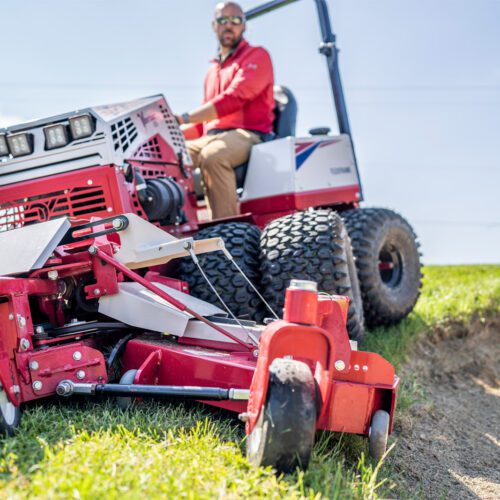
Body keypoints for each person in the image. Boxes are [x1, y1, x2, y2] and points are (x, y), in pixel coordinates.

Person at [176, 1, 275, 219]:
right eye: (223, 20)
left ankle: (227, 229)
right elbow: (204, 124)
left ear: (244, 25)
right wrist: (170, 134)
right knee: (169, 157)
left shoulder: (257, 56)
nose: (228, 25)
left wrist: (182, 118)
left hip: (249, 134)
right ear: (214, 26)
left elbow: (233, 99)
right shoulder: (212, 70)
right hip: (212, 136)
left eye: (235, 20)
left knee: (213, 156)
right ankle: (178, 227)